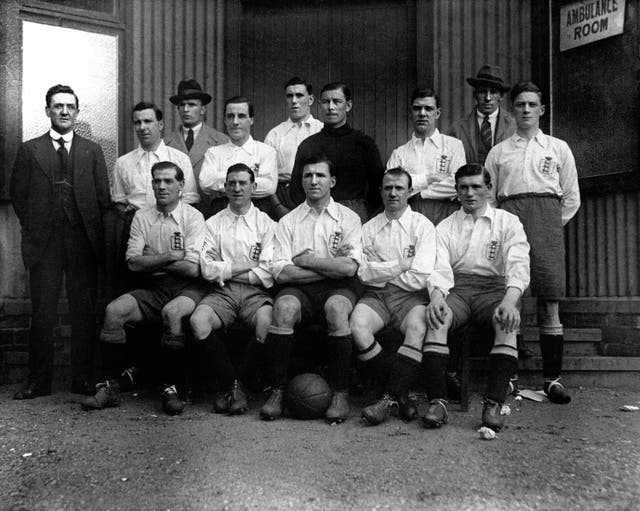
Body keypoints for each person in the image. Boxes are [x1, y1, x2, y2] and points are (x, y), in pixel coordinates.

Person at [81, 161, 206, 415]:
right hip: (154, 287)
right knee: (114, 311)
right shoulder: (142, 216)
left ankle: (173, 389)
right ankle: (110, 386)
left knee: (172, 313)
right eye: (157, 181)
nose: (162, 186)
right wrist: (171, 256)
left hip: (187, 288)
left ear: (181, 186)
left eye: (168, 181)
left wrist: (153, 259)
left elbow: (193, 269)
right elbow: (133, 263)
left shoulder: (193, 217)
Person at [10, 84, 110, 399]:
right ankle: (39, 380)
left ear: (77, 112)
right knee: (43, 312)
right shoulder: (30, 150)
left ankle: (82, 378)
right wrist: (39, 225)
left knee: (83, 311)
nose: (64, 111)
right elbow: (18, 195)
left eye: (69, 106)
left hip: (82, 241)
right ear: (48, 111)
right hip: (45, 243)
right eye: (57, 106)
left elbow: (102, 198)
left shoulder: (92, 151)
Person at [485, 81, 580, 404]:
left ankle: (552, 379)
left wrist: (549, 225)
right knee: (512, 298)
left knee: (549, 301)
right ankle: (510, 378)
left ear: (542, 109)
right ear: (512, 111)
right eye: (520, 105)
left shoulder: (558, 148)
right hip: (511, 223)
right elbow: (489, 196)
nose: (526, 109)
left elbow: (571, 198)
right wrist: (503, 227)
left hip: (547, 227)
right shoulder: (499, 152)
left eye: (531, 105)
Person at [423, 163, 530, 432]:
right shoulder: (446, 226)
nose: (470, 193)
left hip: (494, 290)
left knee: (506, 322)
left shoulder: (508, 222)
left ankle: (493, 403)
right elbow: (438, 267)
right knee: (437, 319)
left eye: (476, 187)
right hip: (457, 289)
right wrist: (436, 296)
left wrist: (509, 301)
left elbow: (518, 264)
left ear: (489, 189)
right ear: (456, 191)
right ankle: (438, 402)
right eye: (464, 187)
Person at [260, 153, 362, 423]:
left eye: (320, 175)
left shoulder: (349, 218)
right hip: (301, 291)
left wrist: (306, 261)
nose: (313, 181)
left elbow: (350, 269)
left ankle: (340, 393)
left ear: (332, 181)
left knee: (337, 309)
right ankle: (278, 391)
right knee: (283, 307)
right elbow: (281, 273)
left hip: (340, 289)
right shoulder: (288, 222)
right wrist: (328, 266)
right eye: (308, 175)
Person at [350, 168, 446, 425]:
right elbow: (364, 274)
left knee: (418, 325)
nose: (393, 193)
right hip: (377, 296)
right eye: (388, 188)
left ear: (409, 192)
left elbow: (421, 275)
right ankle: (401, 393)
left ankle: (388, 398)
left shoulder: (422, 226)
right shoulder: (369, 228)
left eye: (399, 188)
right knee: (357, 327)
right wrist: (402, 264)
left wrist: (383, 268)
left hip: (411, 297)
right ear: (381, 191)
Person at [189, 163, 276, 415]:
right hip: (221, 293)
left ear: (253, 187)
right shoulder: (213, 224)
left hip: (255, 293)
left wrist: (227, 267)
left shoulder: (267, 223)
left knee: (267, 322)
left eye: (242, 183)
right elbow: (207, 269)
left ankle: (241, 385)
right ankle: (232, 386)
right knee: (198, 321)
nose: (237, 188)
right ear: (225, 187)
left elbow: (269, 270)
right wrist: (249, 264)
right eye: (232, 183)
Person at [107, 102, 199, 295]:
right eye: (137, 122)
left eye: (148, 121)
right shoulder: (123, 163)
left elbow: (189, 198)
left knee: (172, 284)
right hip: (137, 228)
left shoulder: (180, 159)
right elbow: (118, 201)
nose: (142, 127)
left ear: (160, 124)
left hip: (174, 228)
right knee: (134, 285)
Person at [289, 82, 384, 223]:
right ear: (320, 105)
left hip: (355, 214)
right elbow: (296, 189)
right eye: (326, 102)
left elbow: (378, 186)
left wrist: (363, 213)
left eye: (337, 101)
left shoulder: (363, 143)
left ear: (348, 106)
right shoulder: (308, 145)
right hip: (316, 214)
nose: (331, 107)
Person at [386, 88, 465, 225]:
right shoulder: (399, 153)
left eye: (428, 109)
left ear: (437, 113)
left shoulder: (453, 146)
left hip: (446, 212)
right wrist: (430, 178)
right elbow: (391, 185)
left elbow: (457, 184)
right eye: (417, 108)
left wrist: (418, 192)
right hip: (411, 212)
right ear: (410, 112)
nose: (422, 113)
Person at [199, 96, 278, 218]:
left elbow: (269, 187)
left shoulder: (266, 151)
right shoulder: (214, 152)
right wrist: (249, 182)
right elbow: (205, 182)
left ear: (251, 120)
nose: (235, 122)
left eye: (241, 116)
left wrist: (223, 186)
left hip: (258, 212)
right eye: (230, 116)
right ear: (225, 120)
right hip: (220, 211)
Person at [165, 79, 229, 218]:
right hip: (175, 214)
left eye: (192, 104)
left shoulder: (221, 140)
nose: (186, 109)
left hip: (211, 212)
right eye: (182, 105)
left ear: (203, 109)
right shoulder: (165, 143)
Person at [264, 77, 323, 216]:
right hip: (283, 196)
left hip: (315, 193)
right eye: (290, 96)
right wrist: (277, 206)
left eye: (299, 95)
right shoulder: (275, 134)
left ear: (310, 100)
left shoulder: (321, 130)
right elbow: (267, 177)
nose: (294, 101)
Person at [449, 65, 516, 165]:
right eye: (483, 92)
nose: (488, 98)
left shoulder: (514, 126)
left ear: (501, 96)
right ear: (475, 95)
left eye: (493, 92)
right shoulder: (457, 128)